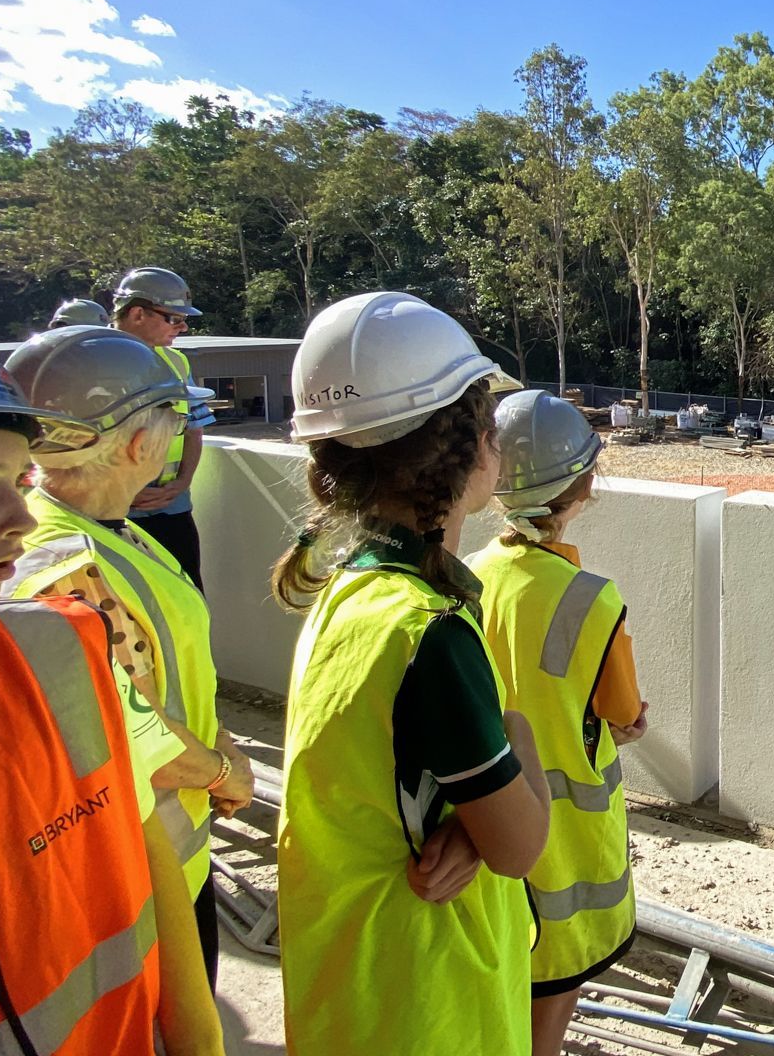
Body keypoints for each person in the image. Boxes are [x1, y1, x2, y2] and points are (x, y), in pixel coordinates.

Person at [272, 290, 551, 1055]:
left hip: (351, 999)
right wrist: (520, 737)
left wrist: (471, 819)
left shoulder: (349, 593)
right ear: (469, 448)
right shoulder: (430, 634)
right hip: (431, 1009)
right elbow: (520, 847)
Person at [0, 327, 224, 1055]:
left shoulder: (113, 537)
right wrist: (224, 769)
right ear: (139, 442)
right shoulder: (55, 584)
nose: (17, 517)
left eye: (14, 479)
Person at [0, 324, 255, 989]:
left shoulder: (96, 529)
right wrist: (224, 772)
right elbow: (132, 733)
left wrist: (219, 736)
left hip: (156, 864)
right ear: (141, 445)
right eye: (173, 420)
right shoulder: (70, 567)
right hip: (141, 883)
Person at [467, 389, 648, 1056]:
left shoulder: (464, 576)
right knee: (555, 977)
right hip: (563, 837)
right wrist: (623, 724)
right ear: (584, 486)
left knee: (501, 971)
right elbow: (623, 715)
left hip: (482, 819)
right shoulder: (592, 599)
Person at [112, 268, 216, 591]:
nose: (183, 327)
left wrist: (182, 482)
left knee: (188, 596)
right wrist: (120, 491)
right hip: (112, 514)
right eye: (174, 318)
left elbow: (193, 429)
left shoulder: (178, 364)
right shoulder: (89, 362)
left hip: (172, 509)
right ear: (137, 313)